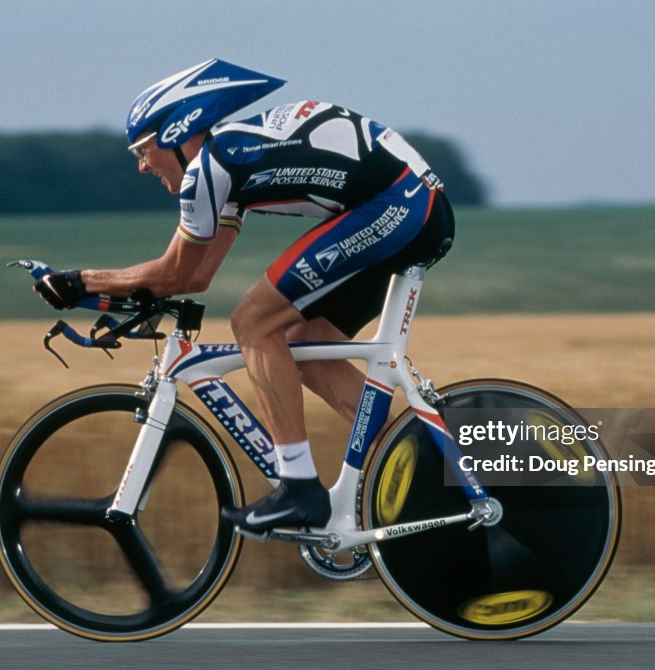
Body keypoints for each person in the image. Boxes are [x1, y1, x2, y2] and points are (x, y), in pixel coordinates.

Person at [34, 59, 454, 533]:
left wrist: (83, 282)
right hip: (411, 206)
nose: (142, 164)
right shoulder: (229, 161)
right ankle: (419, 466)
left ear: (177, 129)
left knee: (254, 322)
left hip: (398, 205)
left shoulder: (211, 167)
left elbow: (175, 272)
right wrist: (110, 291)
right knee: (306, 346)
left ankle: (300, 489)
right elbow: (195, 275)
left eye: (143, 148)